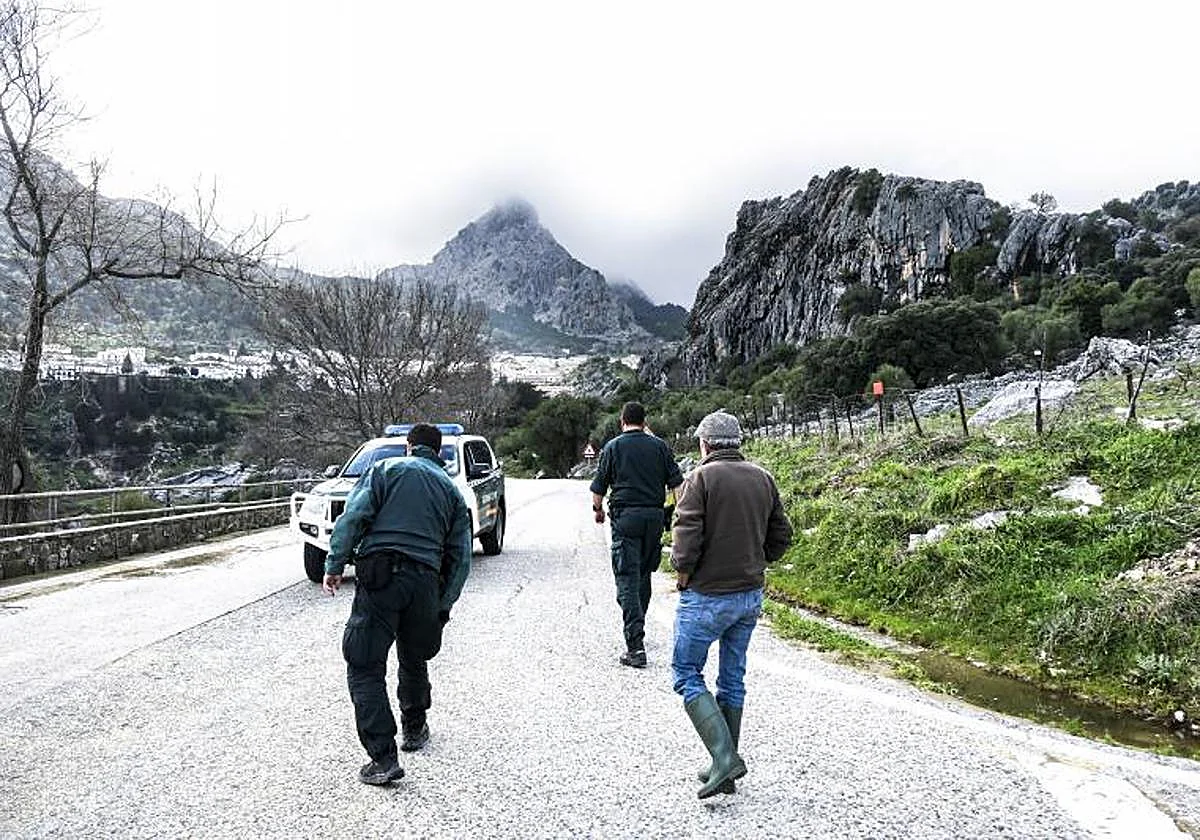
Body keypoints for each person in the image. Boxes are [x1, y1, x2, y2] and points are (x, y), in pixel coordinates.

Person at [323, 422, 473, 786]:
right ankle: (415, 727)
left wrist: (335, 563)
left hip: (380, 575)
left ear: (409, 446)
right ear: (438, 453)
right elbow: (461, 557)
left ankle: (383, 757)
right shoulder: (451, 491)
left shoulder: (385, 469)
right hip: (424, 581)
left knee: (364, 663)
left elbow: (353, 517)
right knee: (414, 653)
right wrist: (443, 604)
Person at [670, 410, 793, 799]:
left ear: (705, 444)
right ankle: (723, 762)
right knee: (732, 679)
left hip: (708, 595)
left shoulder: (700, 478)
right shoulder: (763, 478)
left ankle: (724, 757)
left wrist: (683, 573)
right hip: (749, 594)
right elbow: (781, 534)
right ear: (737, 442)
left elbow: (686, 534)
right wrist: (759, 560)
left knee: (686, 671)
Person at [590, 401, 684, 668]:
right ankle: (638, 622)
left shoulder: (613, 447)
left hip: (625, 520)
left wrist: (597, 510)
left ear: (622, 421)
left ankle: (635, 646)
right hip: (654, 520)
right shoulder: (660, 447)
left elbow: (598, 489)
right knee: (644, 574)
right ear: (645, 422)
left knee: (627, 579)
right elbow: (678, 486)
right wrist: (679, 515)